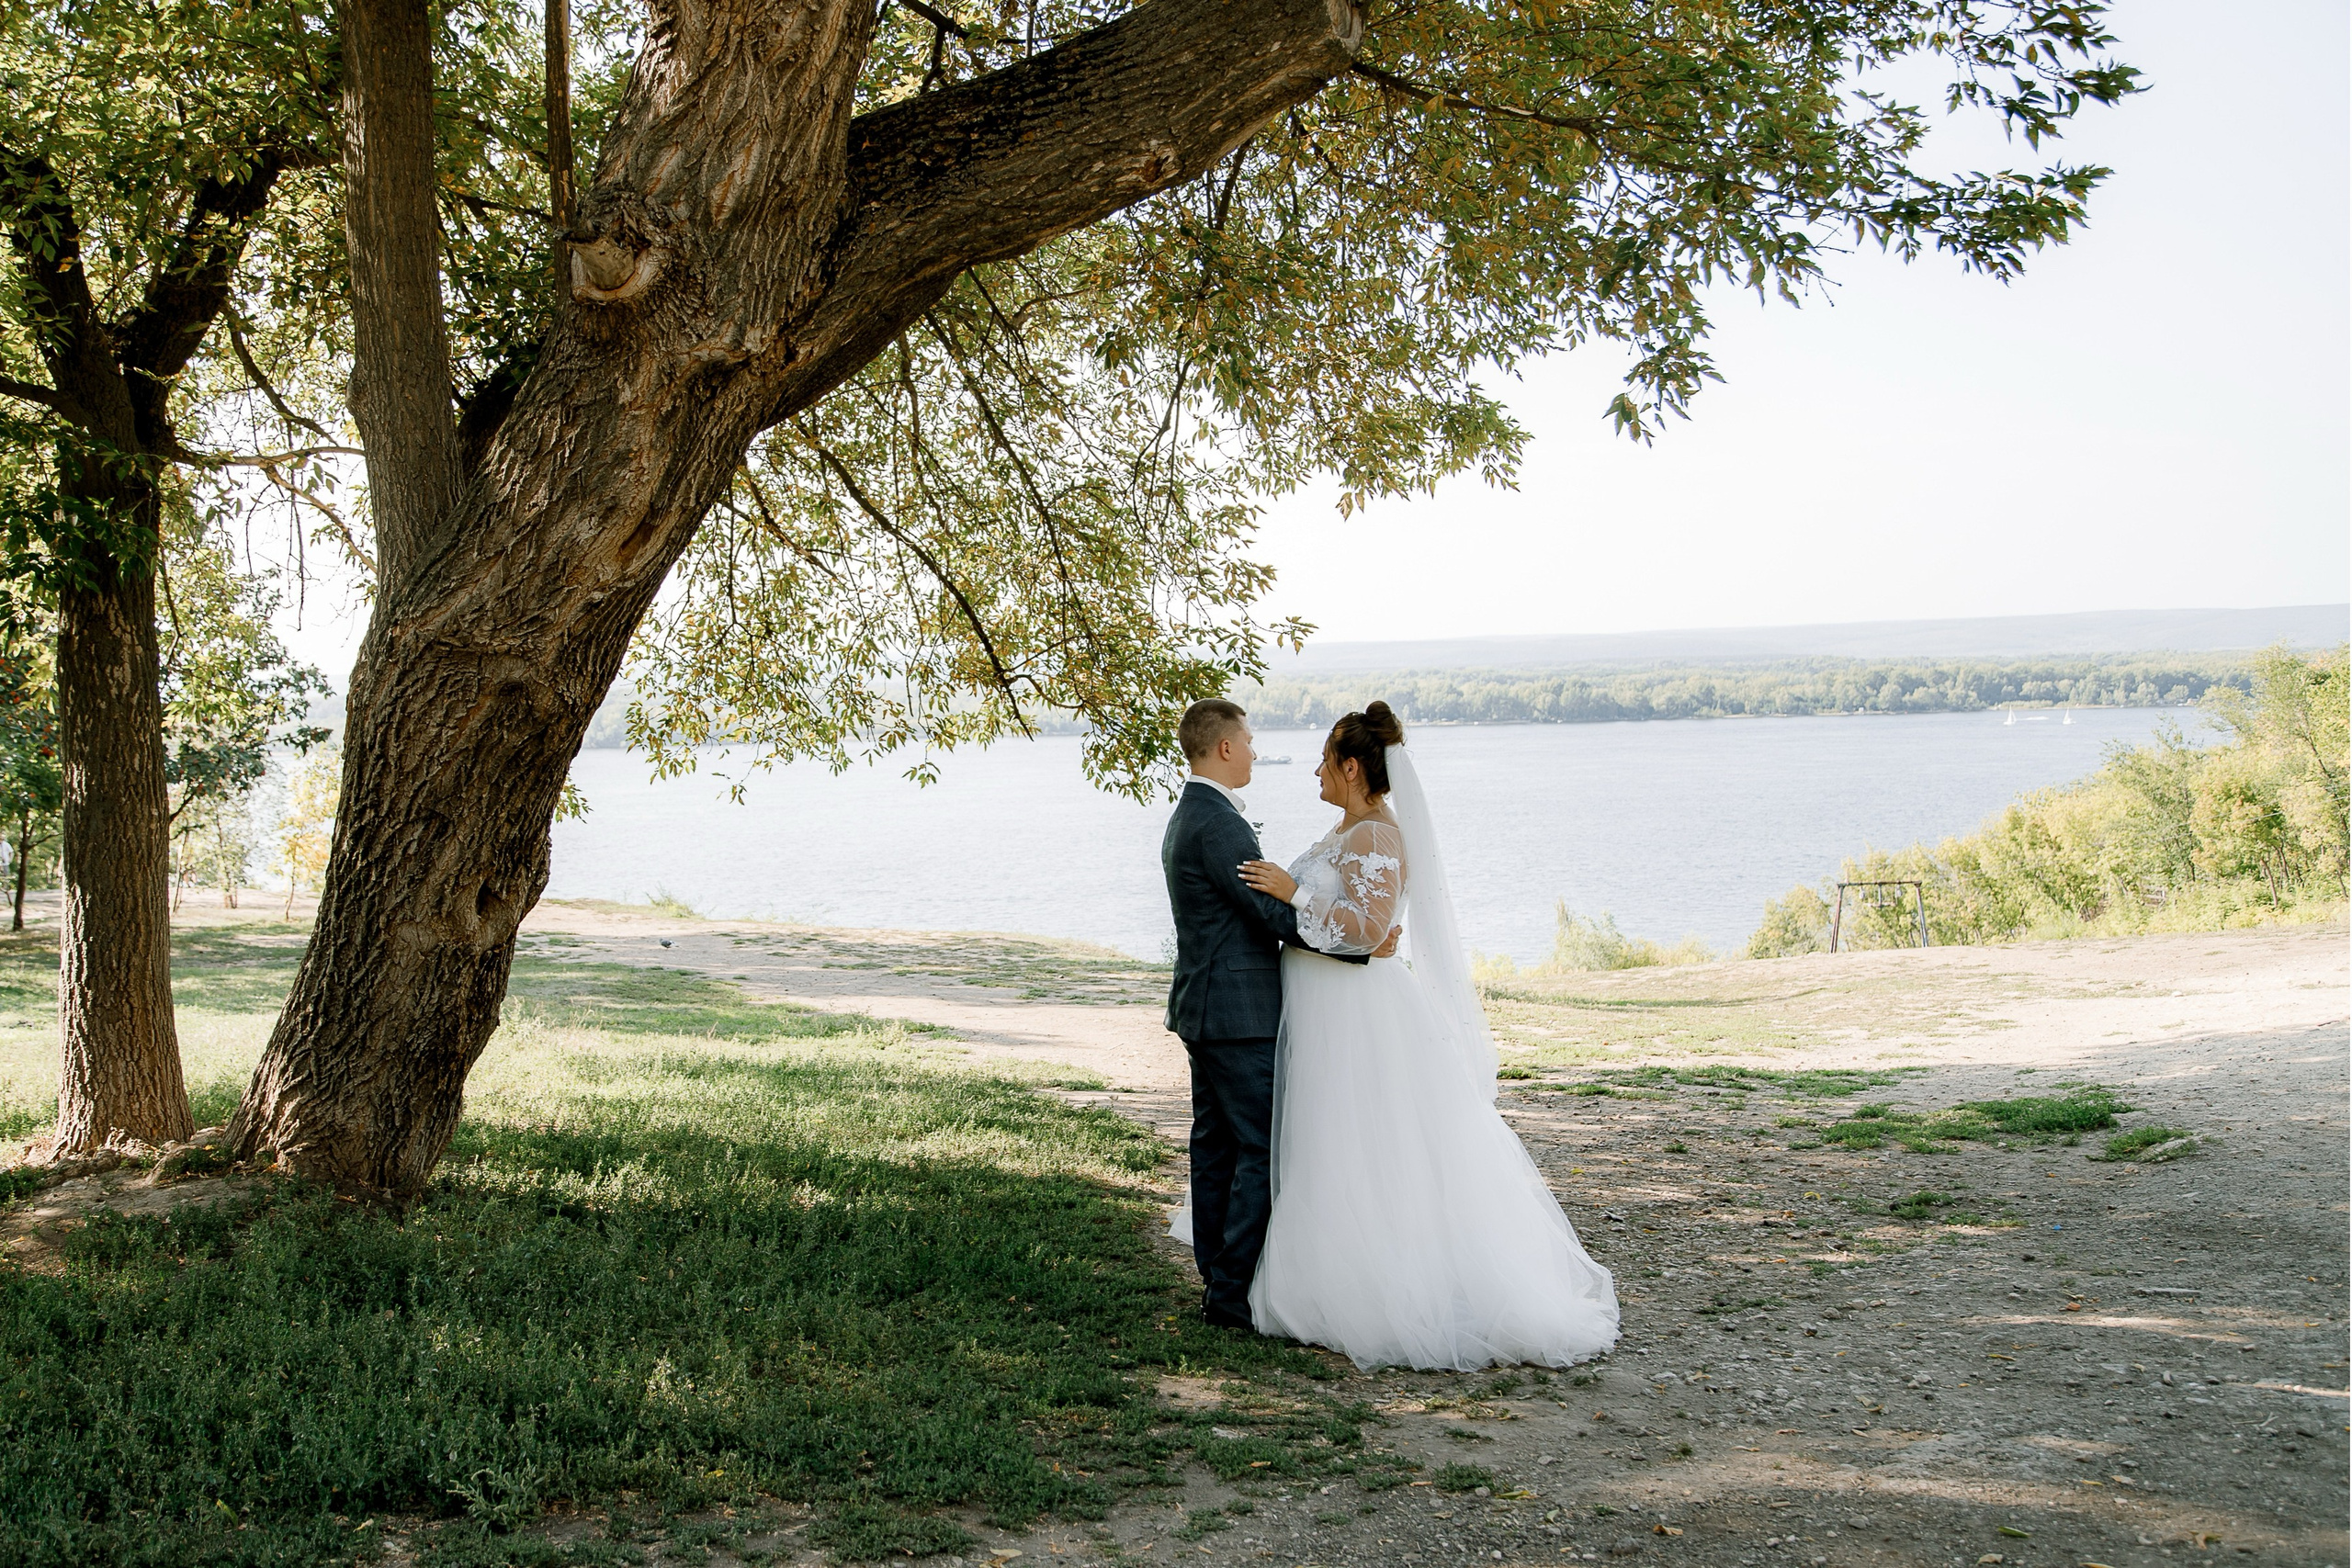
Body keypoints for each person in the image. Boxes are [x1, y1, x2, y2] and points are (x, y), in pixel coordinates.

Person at [1235, 702, 1620, 1370]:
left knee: (1362, 1145)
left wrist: (1296, 893)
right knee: (1329, 1142)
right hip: (1326, 1007)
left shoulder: (1379, 836)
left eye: (1325, 760)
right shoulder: (1347, 828)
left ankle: (1372, 1294)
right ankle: (1328, 1277)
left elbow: (1363, 928)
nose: (1316, 771)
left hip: (1357, 1016)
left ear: (1353, 767)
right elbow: (1362, 925)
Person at [1159, 699, 1393, 1329]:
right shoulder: (1220, 824)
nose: (1257, 751)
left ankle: (1218, 1280)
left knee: (1215, 1147)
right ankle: (1231, 1295)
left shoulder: (1192, 814)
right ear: (1225, 748)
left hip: (1206, 1009)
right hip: (1237, 1017)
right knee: (1259, 1149)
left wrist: (1342, 927)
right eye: (1251, 741)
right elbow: (1268, 912)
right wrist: (1360, 944)